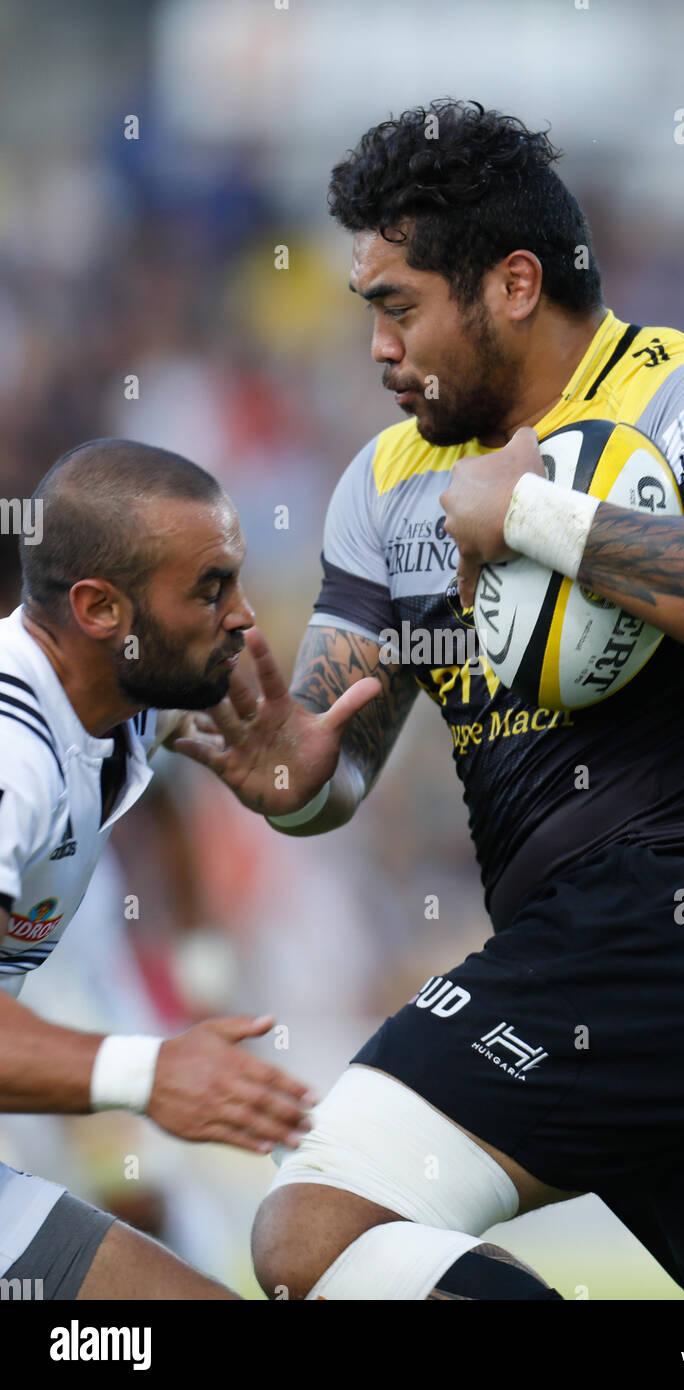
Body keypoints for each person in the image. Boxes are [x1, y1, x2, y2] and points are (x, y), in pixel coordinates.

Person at [176, 100, 684, 1302]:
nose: (379, 350)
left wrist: (536, 518)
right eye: (366, 313)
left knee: (313, 1233)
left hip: (673, 925)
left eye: (398, 308)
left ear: (509, 282)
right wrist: (282, 771)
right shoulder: (384, 482)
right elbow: (332, 766)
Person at [0, 437, 334, 1300]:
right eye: (210, 588)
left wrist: (298, 784)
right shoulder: (13, 759)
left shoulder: (116, 703)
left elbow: (202, 792)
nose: (245, 616)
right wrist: (147, 1074)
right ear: (101, 609)